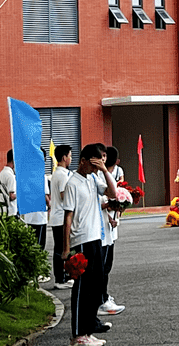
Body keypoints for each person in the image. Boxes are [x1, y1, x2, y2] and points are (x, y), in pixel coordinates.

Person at [62, 143, 117, 346]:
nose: (94, 169)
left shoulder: (93, 178)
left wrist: (103, 170)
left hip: (96, 238)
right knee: (82, 287)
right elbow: (68, 217)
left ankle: (88, 329)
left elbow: (113, 193)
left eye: (97, 165)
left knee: (95, 285)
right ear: (83, 161)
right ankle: (78, 334)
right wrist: (66, 249)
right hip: (81, 239)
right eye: (92, 165)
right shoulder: (72, 183)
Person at [93, 145, 125, 322]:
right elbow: (96, 203)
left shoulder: (105, 176)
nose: (103, 160)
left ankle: (104, 297)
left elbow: (112, 195)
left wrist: (117, 212)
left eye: (105, 156)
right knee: (102, 268)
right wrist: (108, 206)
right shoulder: (94, 177)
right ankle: (101, 300)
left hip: (109, 226)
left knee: (107, 266)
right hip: (100, 230)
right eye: (101, 157)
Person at [50, 145, 74, 290]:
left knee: (60, 248)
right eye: (70, 156)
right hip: (61, 217)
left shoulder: (58, 173)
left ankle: (62, 277)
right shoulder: (63, 175)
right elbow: (64, 195)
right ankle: (60, 278)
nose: (70, 158)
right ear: (64, 158)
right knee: (61, 249)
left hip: (57, 216)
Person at [0, 149, 18, 217]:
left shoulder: (3, 172)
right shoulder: (11, 176)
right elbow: (12, 196)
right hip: (11, 212)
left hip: (4, 210)